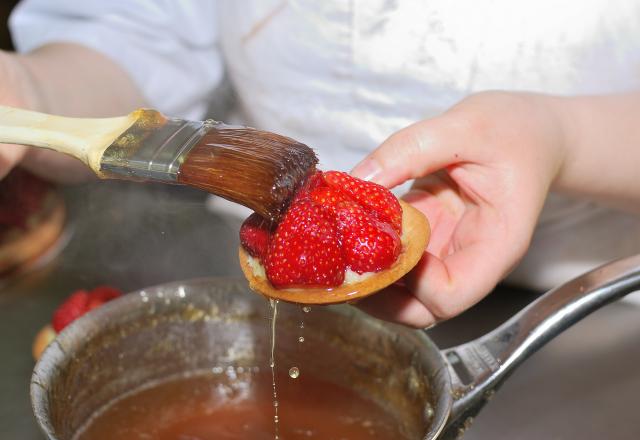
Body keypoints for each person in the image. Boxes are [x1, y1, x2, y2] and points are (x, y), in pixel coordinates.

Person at [2, 1, 640, 328]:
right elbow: (135, 36)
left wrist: (566, 137)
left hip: (597, 308)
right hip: (251, 240)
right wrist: (29, 94)